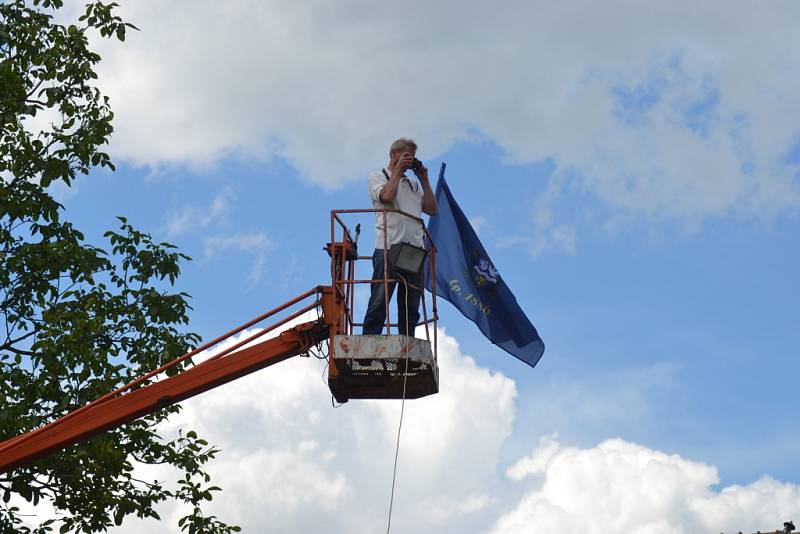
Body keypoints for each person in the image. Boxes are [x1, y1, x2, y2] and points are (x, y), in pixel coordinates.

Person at [362, 138, 438, 336]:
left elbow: (432, 209)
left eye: (412, 158)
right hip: (388, 246)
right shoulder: (378, 176)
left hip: (414, 248)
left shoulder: (413, 184)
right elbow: (386, 197)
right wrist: (396, 172)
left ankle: (407, 339)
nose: (409, 161)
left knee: (411, 302)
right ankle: (371, 338)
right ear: (394, 155)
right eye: (406, 157)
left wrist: (423, 178)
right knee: (380, 298)